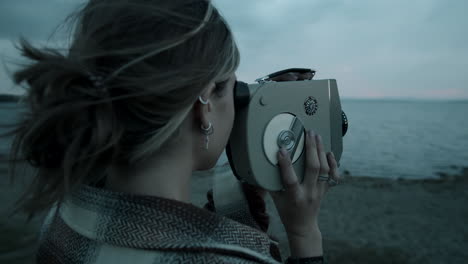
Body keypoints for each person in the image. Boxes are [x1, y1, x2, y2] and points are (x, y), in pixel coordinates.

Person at [5, 0, 340, 263]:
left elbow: (176, 233)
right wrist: (304, 233)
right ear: (205, 102)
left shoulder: (64, 216)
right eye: (231, 87)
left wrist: (251, 178)